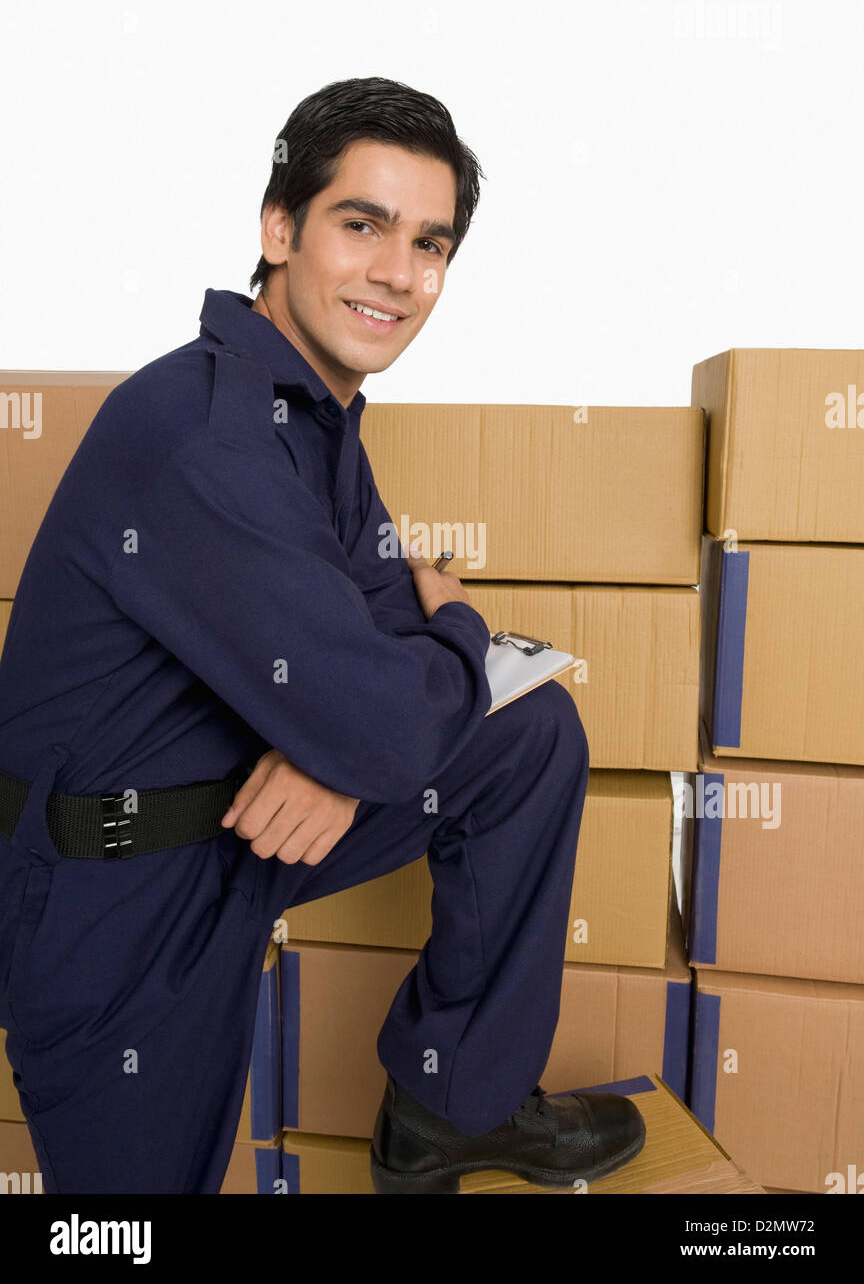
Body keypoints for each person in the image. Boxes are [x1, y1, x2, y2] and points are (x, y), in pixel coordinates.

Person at [0, 76, 645, 1194]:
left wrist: (338, 755)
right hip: (113, 891)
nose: (399, 271)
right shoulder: (201, 434)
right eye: (363, 224)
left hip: (242, 818)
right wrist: (449, 636)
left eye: (430, 243)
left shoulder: (307, 407)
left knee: (528, 736)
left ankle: (453, 1107)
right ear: (279, 227)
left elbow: (379, 623)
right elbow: (402, 669)